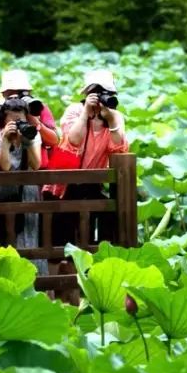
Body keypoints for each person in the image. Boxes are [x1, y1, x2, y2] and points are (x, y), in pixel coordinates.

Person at [43, 70, 128, 244]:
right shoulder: (75, 110)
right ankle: (63, 269)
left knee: (88, 237)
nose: (104, 98)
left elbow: (119, 149)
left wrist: (110, 121)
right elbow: (73, 140)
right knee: (61, 239)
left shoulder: (115, 117)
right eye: (99, 93)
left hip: (92, 184)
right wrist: (86, 113)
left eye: (109, 94)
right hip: (64, 183)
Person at [0, 98, 47, 274]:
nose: (18, 124)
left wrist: (26, 141)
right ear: (4, 121)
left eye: (21, 120)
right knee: (0, 243)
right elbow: (4, 167)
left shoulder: (32, 135)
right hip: (1, 194)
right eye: (13, 121)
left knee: (28, 240)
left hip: (27, 193)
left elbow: (36, 165)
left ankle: (32, 281)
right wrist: (6, 141)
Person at [0, 70, 59, 168]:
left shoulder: (38, 107)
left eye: (21, 92)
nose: (18, 97)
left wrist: (35, 122)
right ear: (4, 94)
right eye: (13, 93)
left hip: (37, 168)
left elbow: (53, 140)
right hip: (10, 169)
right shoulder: (1, 110)